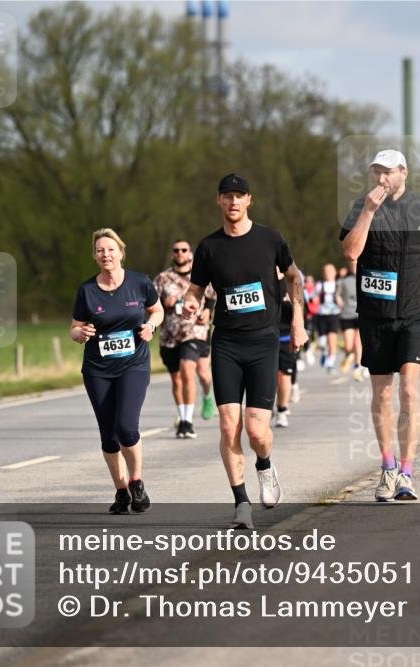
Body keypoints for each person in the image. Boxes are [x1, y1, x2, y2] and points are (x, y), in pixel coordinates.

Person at [183, 173, 307, 530]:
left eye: (240, 196)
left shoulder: (271, 239)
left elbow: (294, 276)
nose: (234, 202)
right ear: (219, 201)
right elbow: (196, 288)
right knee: (227, 426)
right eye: (227, 196)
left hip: (263, 340)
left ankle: (265, 466)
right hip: (226, 342)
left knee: (256, 431)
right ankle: (241, 502)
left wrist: (297, 320)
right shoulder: (208, 247)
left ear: (249, 200)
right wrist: (191, 304)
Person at [341, 148, 420, 502]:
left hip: (414, 310)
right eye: (376, 172)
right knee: (382, 393)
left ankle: (407, 473)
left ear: (403, 173)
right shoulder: (359, 207)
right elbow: (350, 252)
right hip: (375, 313)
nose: (381, 178)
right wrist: (368, 211)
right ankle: (387, 467)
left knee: (409, 389)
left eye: (388, 172)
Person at [71, 228, 163, 514]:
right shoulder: (87, 290)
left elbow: (156, 310)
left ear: (121, 252)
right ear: (95, 256)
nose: (105, 254)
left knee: (126, 426)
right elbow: (74, 327)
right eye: (100, 250)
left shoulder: (140, 282)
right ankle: (121, 491)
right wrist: (79, 333)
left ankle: (136, 480)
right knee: (108, 435)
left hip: (133, 364)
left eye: (110, 249)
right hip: (98, 368)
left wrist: (151, 326)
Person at [153, 240, 216, 439]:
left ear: (190, 254)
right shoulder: (162, 278)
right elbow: (151, 305)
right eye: (176, 250)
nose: (180, 253)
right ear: (172, 254)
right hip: (170, 335)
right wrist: (165, 303)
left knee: (196, 372)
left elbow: (212, 295)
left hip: (196, 331)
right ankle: (182, 417)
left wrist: (207, 311)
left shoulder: (199, 274)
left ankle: (192, 416)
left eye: (184, 250)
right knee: (177, 378)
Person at [275, 272, 296, 428]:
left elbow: (303, 310)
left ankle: (281, 410)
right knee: (269, 377)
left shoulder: (292, 281)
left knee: (283, 376)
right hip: (265, 336)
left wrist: (290, 303)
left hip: (285, 338)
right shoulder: (260, 277)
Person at [337, 260, 364, 380]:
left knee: (358, 343)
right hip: (347, 314)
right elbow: (337, 294)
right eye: (353, 263)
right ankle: (350, 355)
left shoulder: (366, 277)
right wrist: (339, 301)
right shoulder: (344, 281)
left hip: (361, 315)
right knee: (348, 345)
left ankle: (357, 368)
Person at [313, 263, 341, 373]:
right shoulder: (320, 285)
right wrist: (314, 299)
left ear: (335, 273)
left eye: (330, 271)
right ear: (323, 274)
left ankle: (331, 364)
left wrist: (340, 302)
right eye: (326, 271)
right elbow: (313, 296)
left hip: (334, 315)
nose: (328, 273)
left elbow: (343, 298)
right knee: (323, 342)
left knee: (332, 340)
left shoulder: (338, 285)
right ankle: (325, 352)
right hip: (322, 315)